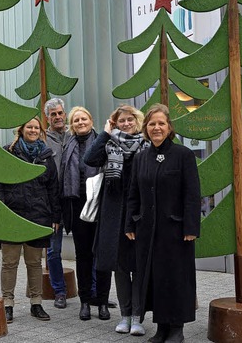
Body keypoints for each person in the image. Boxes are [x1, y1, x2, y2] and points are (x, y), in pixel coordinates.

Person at [125, 104, 201, 343]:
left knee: (175, 278)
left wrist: (191, 227)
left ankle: (176, 328)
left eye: (161, 123)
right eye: (152, 124)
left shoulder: (183, 155)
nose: (156, 127)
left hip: (175, 231)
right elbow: (133, 193)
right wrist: (129, 224)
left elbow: (192, 194)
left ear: (169, 128)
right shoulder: (141, 158)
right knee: (154, 278)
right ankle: (161, 328)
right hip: (147, 231)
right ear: (146, 129)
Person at [83, 104, 149, 336]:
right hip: (114, 216)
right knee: (120, 269)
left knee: (139, 269)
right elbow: (90, 159)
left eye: (130, 119)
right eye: (121, 120)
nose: (127, 123)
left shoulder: (147, 144)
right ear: (115, 123)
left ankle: (137, 317)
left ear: (137, 121)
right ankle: (124, 315)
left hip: (139, 215)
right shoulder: (109, 143)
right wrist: (105, 133)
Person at [0, 117, 60, 323]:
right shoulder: (8, 153)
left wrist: (55, 216)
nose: (33, 130)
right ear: (21, 129)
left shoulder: (46, 155)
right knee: (9, 262)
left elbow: (53, 189)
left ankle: (36, 303)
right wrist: (3, 211)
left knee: (35, 262)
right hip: (12, 215)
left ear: (41, 131)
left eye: (36, 127)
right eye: (29, 126)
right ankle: (7, 304)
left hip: (38, 216)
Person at [61, 106, 112, 321]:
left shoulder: (104, 141)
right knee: (83, 257)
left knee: (102, 256)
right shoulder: (68, 145)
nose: (80, 122)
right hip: (78, 205)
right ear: (72, 125)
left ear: (91, 120)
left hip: (101, 204)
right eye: (76, 120)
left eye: (84, 118)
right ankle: (85, 302)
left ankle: (102, 302)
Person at [43, 98, 70, 309]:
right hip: (52, 203)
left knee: (90, 248)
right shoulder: (43, 140)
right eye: (53, 114)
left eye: (60, 113)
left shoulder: (74, 135)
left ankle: (97, 292)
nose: (58, 117)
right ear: (48, 118)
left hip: (75, 201)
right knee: (53, 250)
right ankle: (59, 291)